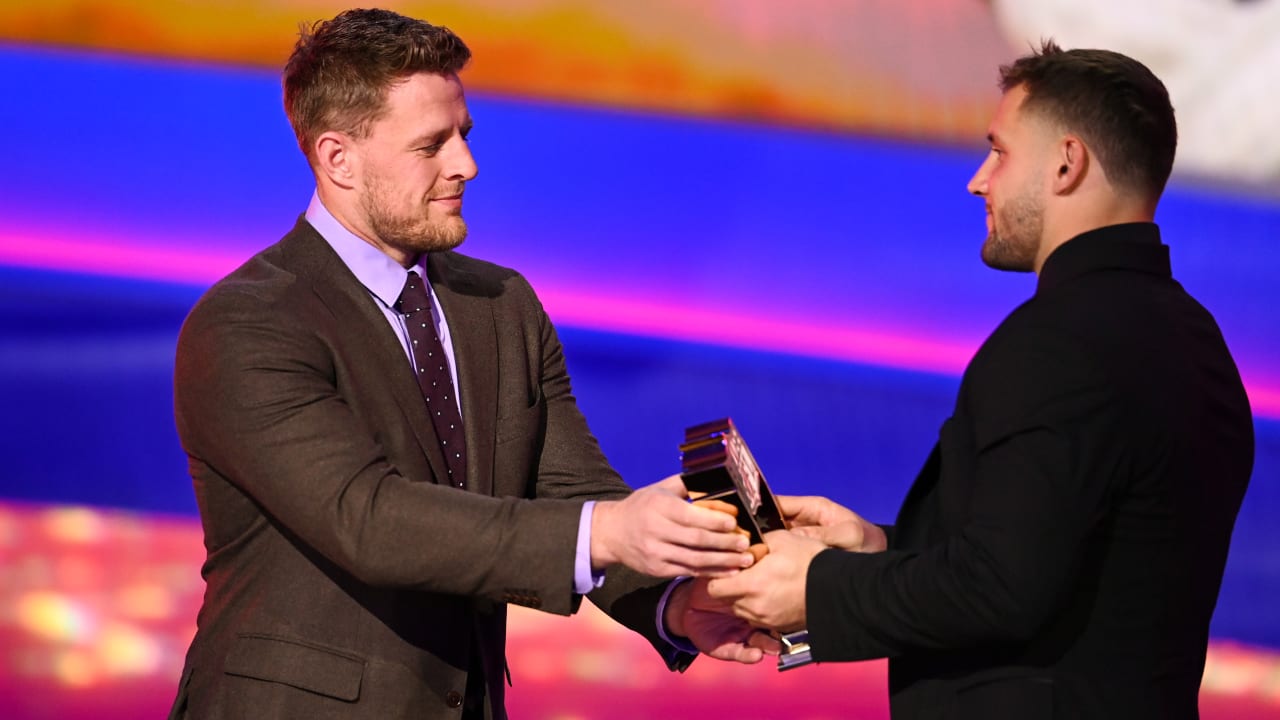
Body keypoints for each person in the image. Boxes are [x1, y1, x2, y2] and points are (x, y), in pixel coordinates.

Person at [167, 9, 768, 719]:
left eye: (465, 134)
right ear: (337, 159)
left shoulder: (502, 302)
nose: (467, 165)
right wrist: (608, 529)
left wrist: (672, 604)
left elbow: (568, 489)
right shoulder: (249, 323)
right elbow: (368, 518)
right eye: (432, 145)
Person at [707, 41, 1255, 719]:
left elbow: (1001, 588)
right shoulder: (1194, 340)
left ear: (1066, 162)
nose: (978, 179)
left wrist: (815, 586)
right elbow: (1065, 560)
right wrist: (880, 550)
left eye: (999, 151)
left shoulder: (1060, 341)